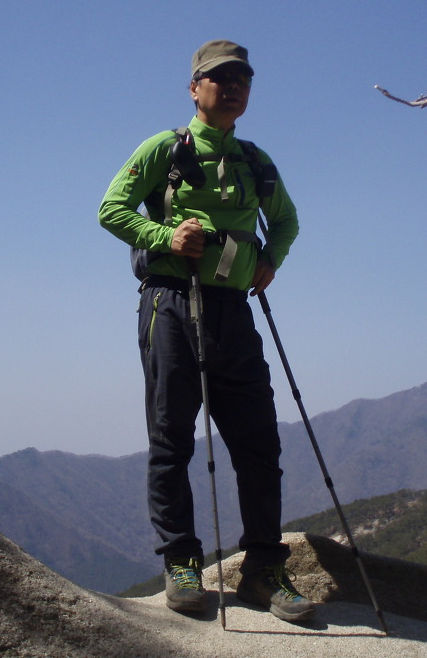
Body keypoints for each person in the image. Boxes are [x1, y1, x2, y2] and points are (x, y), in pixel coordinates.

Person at [98, 40, 314, 623]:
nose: (234, 87)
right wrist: (165, 237)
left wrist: (271, 258)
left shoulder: (255, 160)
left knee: (259, 443)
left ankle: (263, 569)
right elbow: (111, 209)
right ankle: (182, 562)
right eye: (221, 78)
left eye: (243, 79)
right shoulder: (164, 149)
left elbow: (287, 221)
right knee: (172, 440)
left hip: (233, 310)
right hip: (170, 303)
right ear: (195, 88)